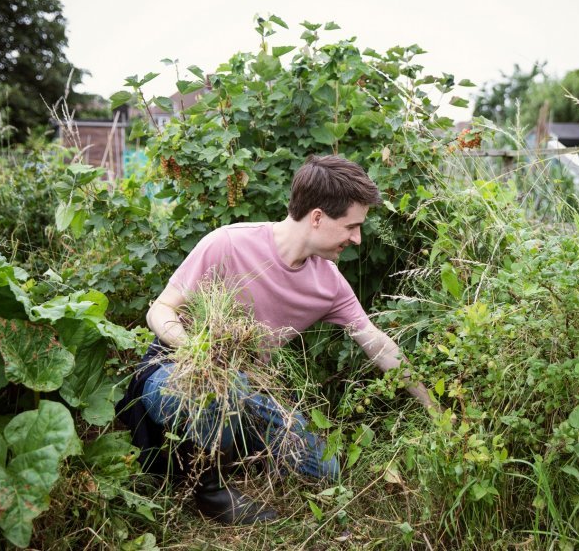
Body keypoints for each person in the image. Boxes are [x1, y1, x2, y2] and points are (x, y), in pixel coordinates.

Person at [124, 154, 436, 525]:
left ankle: (225, 444)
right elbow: (159, 311)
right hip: (176, 373)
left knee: (325, 468)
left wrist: (433, 407)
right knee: (222, 386)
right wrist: (199, 352)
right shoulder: (228, 243)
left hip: (249, 388)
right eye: (351, 226)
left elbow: (378, 344)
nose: (357, 237)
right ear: (317, 217)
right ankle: (210, 490)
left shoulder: (329, 284)